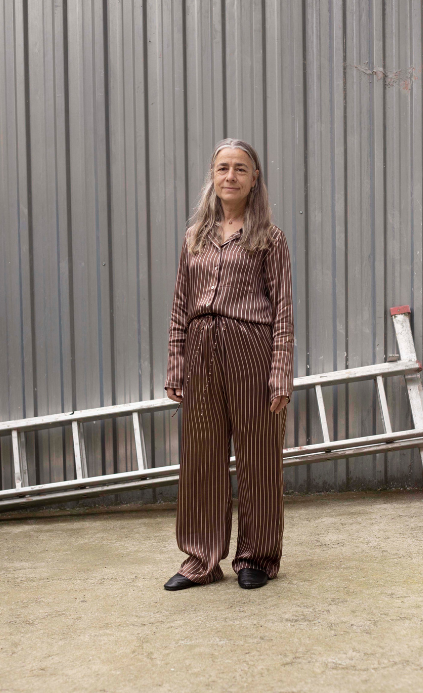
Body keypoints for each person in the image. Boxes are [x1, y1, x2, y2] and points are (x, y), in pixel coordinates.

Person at [163, 138, 294, 591]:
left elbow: (283, 311)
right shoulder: (194, 238)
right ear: (213, 176)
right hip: (201, 352)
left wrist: (280, 372)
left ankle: (257, 556)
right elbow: (180, 307)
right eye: (223, 168)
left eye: (240, 168)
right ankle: (201, 559)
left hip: (251, 350)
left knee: (259, 457)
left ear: (254, 178)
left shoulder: (270, 238)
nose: (231, 176)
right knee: (202, 458)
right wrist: (175, 364)